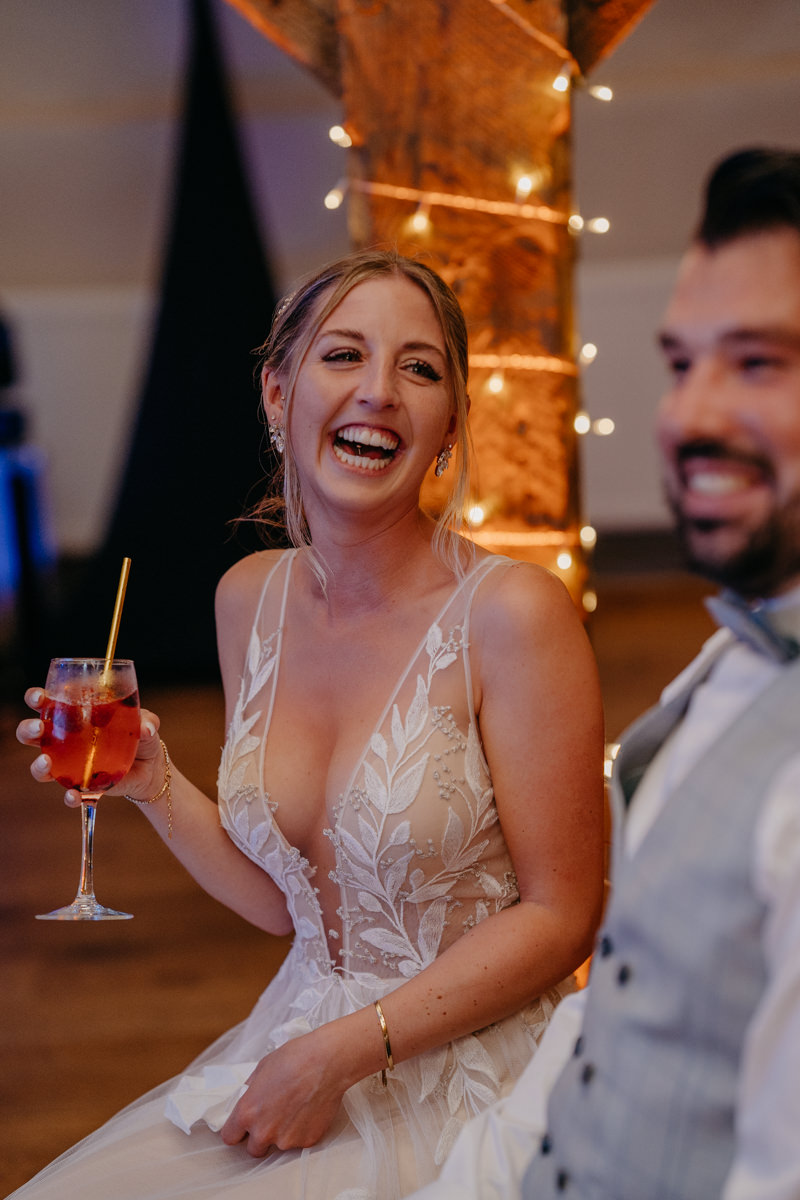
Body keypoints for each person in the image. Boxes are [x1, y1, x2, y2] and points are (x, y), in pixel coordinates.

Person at [13, 249, 605, 1199]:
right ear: (278, 394)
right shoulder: (248, 598)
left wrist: (347, 1052)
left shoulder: (515, 615)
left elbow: (562, 915)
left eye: (419, 369)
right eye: (343, 356)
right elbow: (296, 909)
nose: (379, 392)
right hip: (296, 1044)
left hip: (473, 1076)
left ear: (450, 422)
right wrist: (153, 781)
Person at [407, 146, 800, 1200]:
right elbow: (618, 1012)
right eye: (681, 364)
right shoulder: (733, 667)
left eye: (756, 363)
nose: (691, 416)